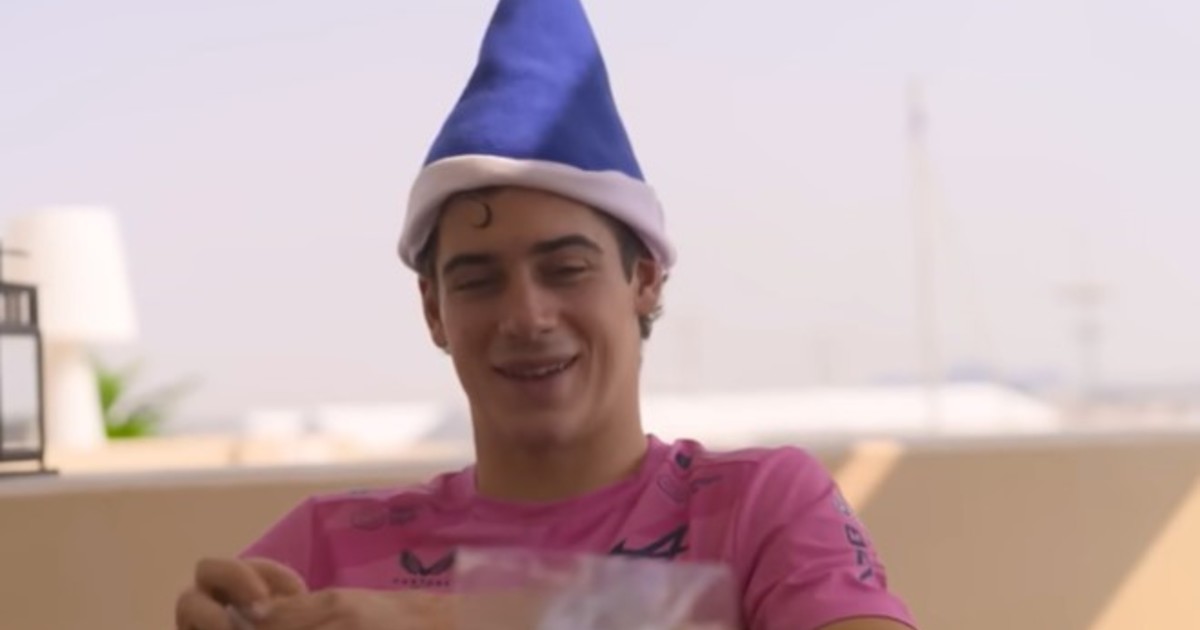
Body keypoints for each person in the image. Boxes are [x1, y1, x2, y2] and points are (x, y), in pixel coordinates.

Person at [174, 0, 919, 628]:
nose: (526, 315)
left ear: (644, 278)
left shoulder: (758, 505)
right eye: (477, 281)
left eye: (566, 270)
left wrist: (436, 619)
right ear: (433, 309)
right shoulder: (325, 546)